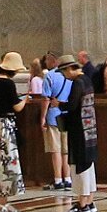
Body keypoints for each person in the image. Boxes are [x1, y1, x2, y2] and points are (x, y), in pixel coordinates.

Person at [0, 53, 28, 211]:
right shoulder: (8, 84)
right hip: (6, 125)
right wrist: (26, 99)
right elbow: (17, 107)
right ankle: (3, 201)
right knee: (7, 162)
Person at [57, 55, 100, 212]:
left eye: (63, 72)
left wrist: (59, 104)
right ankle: (89, 202)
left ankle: (82, 204)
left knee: (80, 166)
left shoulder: (77, 82)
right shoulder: (87, 80)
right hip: (90, 128)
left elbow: (72, 105)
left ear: (69, 69)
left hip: (79, 129)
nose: (64, 76)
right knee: (89, 166)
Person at [36, 55, 70, 190]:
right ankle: (68, 178)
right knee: (66, 149)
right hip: (67, 115)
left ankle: (58, 179)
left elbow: (46, 99)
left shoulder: (49, 76)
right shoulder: (71, 77)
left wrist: (42, 117)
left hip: (53, 115)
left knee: (55, 149)